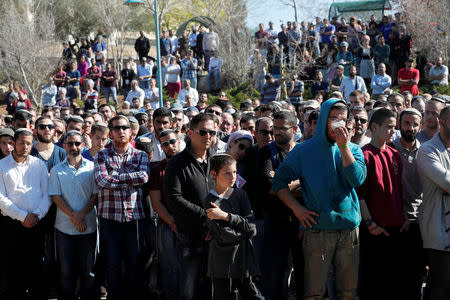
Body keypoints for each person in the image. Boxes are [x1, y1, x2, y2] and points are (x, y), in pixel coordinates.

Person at [272, 99, 366, 300]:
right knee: (315, 293)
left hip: (349, 229)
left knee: (348, 292)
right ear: (323, 119)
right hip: (317, 230)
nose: (338, 124)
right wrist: (297, 208)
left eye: (342, 119)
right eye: (333, 119)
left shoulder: (354, 149)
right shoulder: (304, 150)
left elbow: (357, 179)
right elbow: (278, 182)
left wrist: (344, 148)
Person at [94, 115, 150, 300]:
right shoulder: (102, 155)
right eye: (117, 128)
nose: (121, 131)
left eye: (125, 127)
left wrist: (115, 178)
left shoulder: (141, 155)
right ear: (110, 133)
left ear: (131, 131)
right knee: (112, 264)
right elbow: (102, 180)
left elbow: (143, 178)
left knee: (135, 264)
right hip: (110, 219)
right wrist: (129, 178)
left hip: (134, 218)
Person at [164, 113, 218, 300]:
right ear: (190, 133)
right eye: (203, 132)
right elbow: (174, 198)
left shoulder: (216, 160)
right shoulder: (176, 163)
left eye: (212, 132)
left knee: (213, 288)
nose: (208, 136)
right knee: (189, 288)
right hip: (190, 235)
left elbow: (226, 193)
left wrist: (218, 221)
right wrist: (206, 216)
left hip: (216, 234)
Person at [357, 108, 408, 300]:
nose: (392, 132)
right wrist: (370, 223)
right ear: (374, 127)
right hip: (374, 229)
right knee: (372, 282)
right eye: (388, 127)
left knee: (393, 282)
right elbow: (359, 195)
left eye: (394, 128)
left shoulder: (395, 154)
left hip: (397, 228)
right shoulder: (364, 155)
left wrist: (403, 216)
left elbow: (398, 190)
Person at [257, 111, 304, 300]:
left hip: (302, 222)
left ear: (294, 129)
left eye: (282, 129)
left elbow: (313, 185)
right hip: (275, 223)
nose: (276, 132)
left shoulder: (303, 152)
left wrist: (282, 184)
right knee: (274, 276)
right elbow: (269, 187)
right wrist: (300, 182)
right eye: (274, 128)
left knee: (303, 273)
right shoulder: (266, 152)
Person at [0, 128, 51, 300]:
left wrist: (35, 215)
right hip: (12, 225)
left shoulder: (39, 164)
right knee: (14, 268)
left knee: (36, 266)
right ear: (13, 143)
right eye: (21, 142)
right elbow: (1, 198)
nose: (25, 146)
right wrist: (23, 216)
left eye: (29, 143)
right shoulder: (1, 166)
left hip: (36, 223)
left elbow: (47, 195)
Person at [204, 154, 262, 300]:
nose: (233, 176)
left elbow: (252, 228)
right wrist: (244, 231)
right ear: (214, 174)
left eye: (235, 172)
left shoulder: (241, 195)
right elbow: (224, 234)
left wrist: (226, 216)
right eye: (227, 173)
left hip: (244, 262)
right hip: (222, 265)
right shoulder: (210, 200)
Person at [49, 131, 98, 300]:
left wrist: (81, 215)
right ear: (64, 146)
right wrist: (73, 216)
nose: (74, 147)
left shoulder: (92, 168)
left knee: (88, 271)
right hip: (64, 229)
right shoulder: (56, 170)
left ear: (83, 145)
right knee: (66, 271)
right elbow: (55, 196)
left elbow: (95, 195)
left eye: (77, 143)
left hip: (88, 227)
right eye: (70, 144)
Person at [391, 108, 425, 300]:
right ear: (399, 125)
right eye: (406, 123)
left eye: (414, 124)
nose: (410, 128)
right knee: (397, 274)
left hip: (421, 222)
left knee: (417, 274)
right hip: (398, 222)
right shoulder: (389, 151)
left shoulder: (427, 152)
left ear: (420, 126)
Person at [417, 106, 450, 300]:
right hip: (438, 230)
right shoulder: (427, 149)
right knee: (440, 285)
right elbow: (447, 183)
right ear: (443, 121)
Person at [147, 129, 181, 300]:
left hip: (190, 225)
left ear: (180, 141)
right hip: (166, 225)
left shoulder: (190, 165)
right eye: (165, 143)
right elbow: (156, 202)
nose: (170, 146)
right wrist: (171, 221)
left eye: (172, 141)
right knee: (169, 267)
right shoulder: (156, 169)